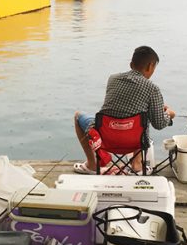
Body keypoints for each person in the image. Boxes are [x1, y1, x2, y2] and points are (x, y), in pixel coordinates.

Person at [73, 46, 175, 174]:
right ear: (150, 67)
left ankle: (92, 165)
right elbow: (159, 124)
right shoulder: (152, 88)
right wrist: (168, 114)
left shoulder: (113, 79)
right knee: (142, 118)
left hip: (105, 139)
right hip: (133, 140)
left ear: (131, 64)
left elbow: (117, 107)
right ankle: (137, 165)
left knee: (78, 116)